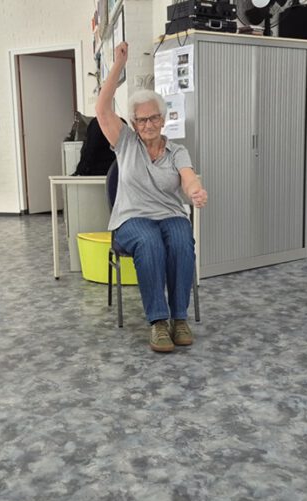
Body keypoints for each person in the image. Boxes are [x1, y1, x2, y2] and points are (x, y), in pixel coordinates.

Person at [94, 42, 208, 353]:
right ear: (133, 123)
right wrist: (119, 64)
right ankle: (158, 321)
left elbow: (188, 176)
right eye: (141, 120)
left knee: (182, 238)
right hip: (131, 219)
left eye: (153, 118)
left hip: (170, 214)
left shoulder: (177, 150)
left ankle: (179, 318)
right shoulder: (126, 143)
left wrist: (195, 190)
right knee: (149, 242)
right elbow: (102, 108)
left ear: (164, 118)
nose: (148, 125)